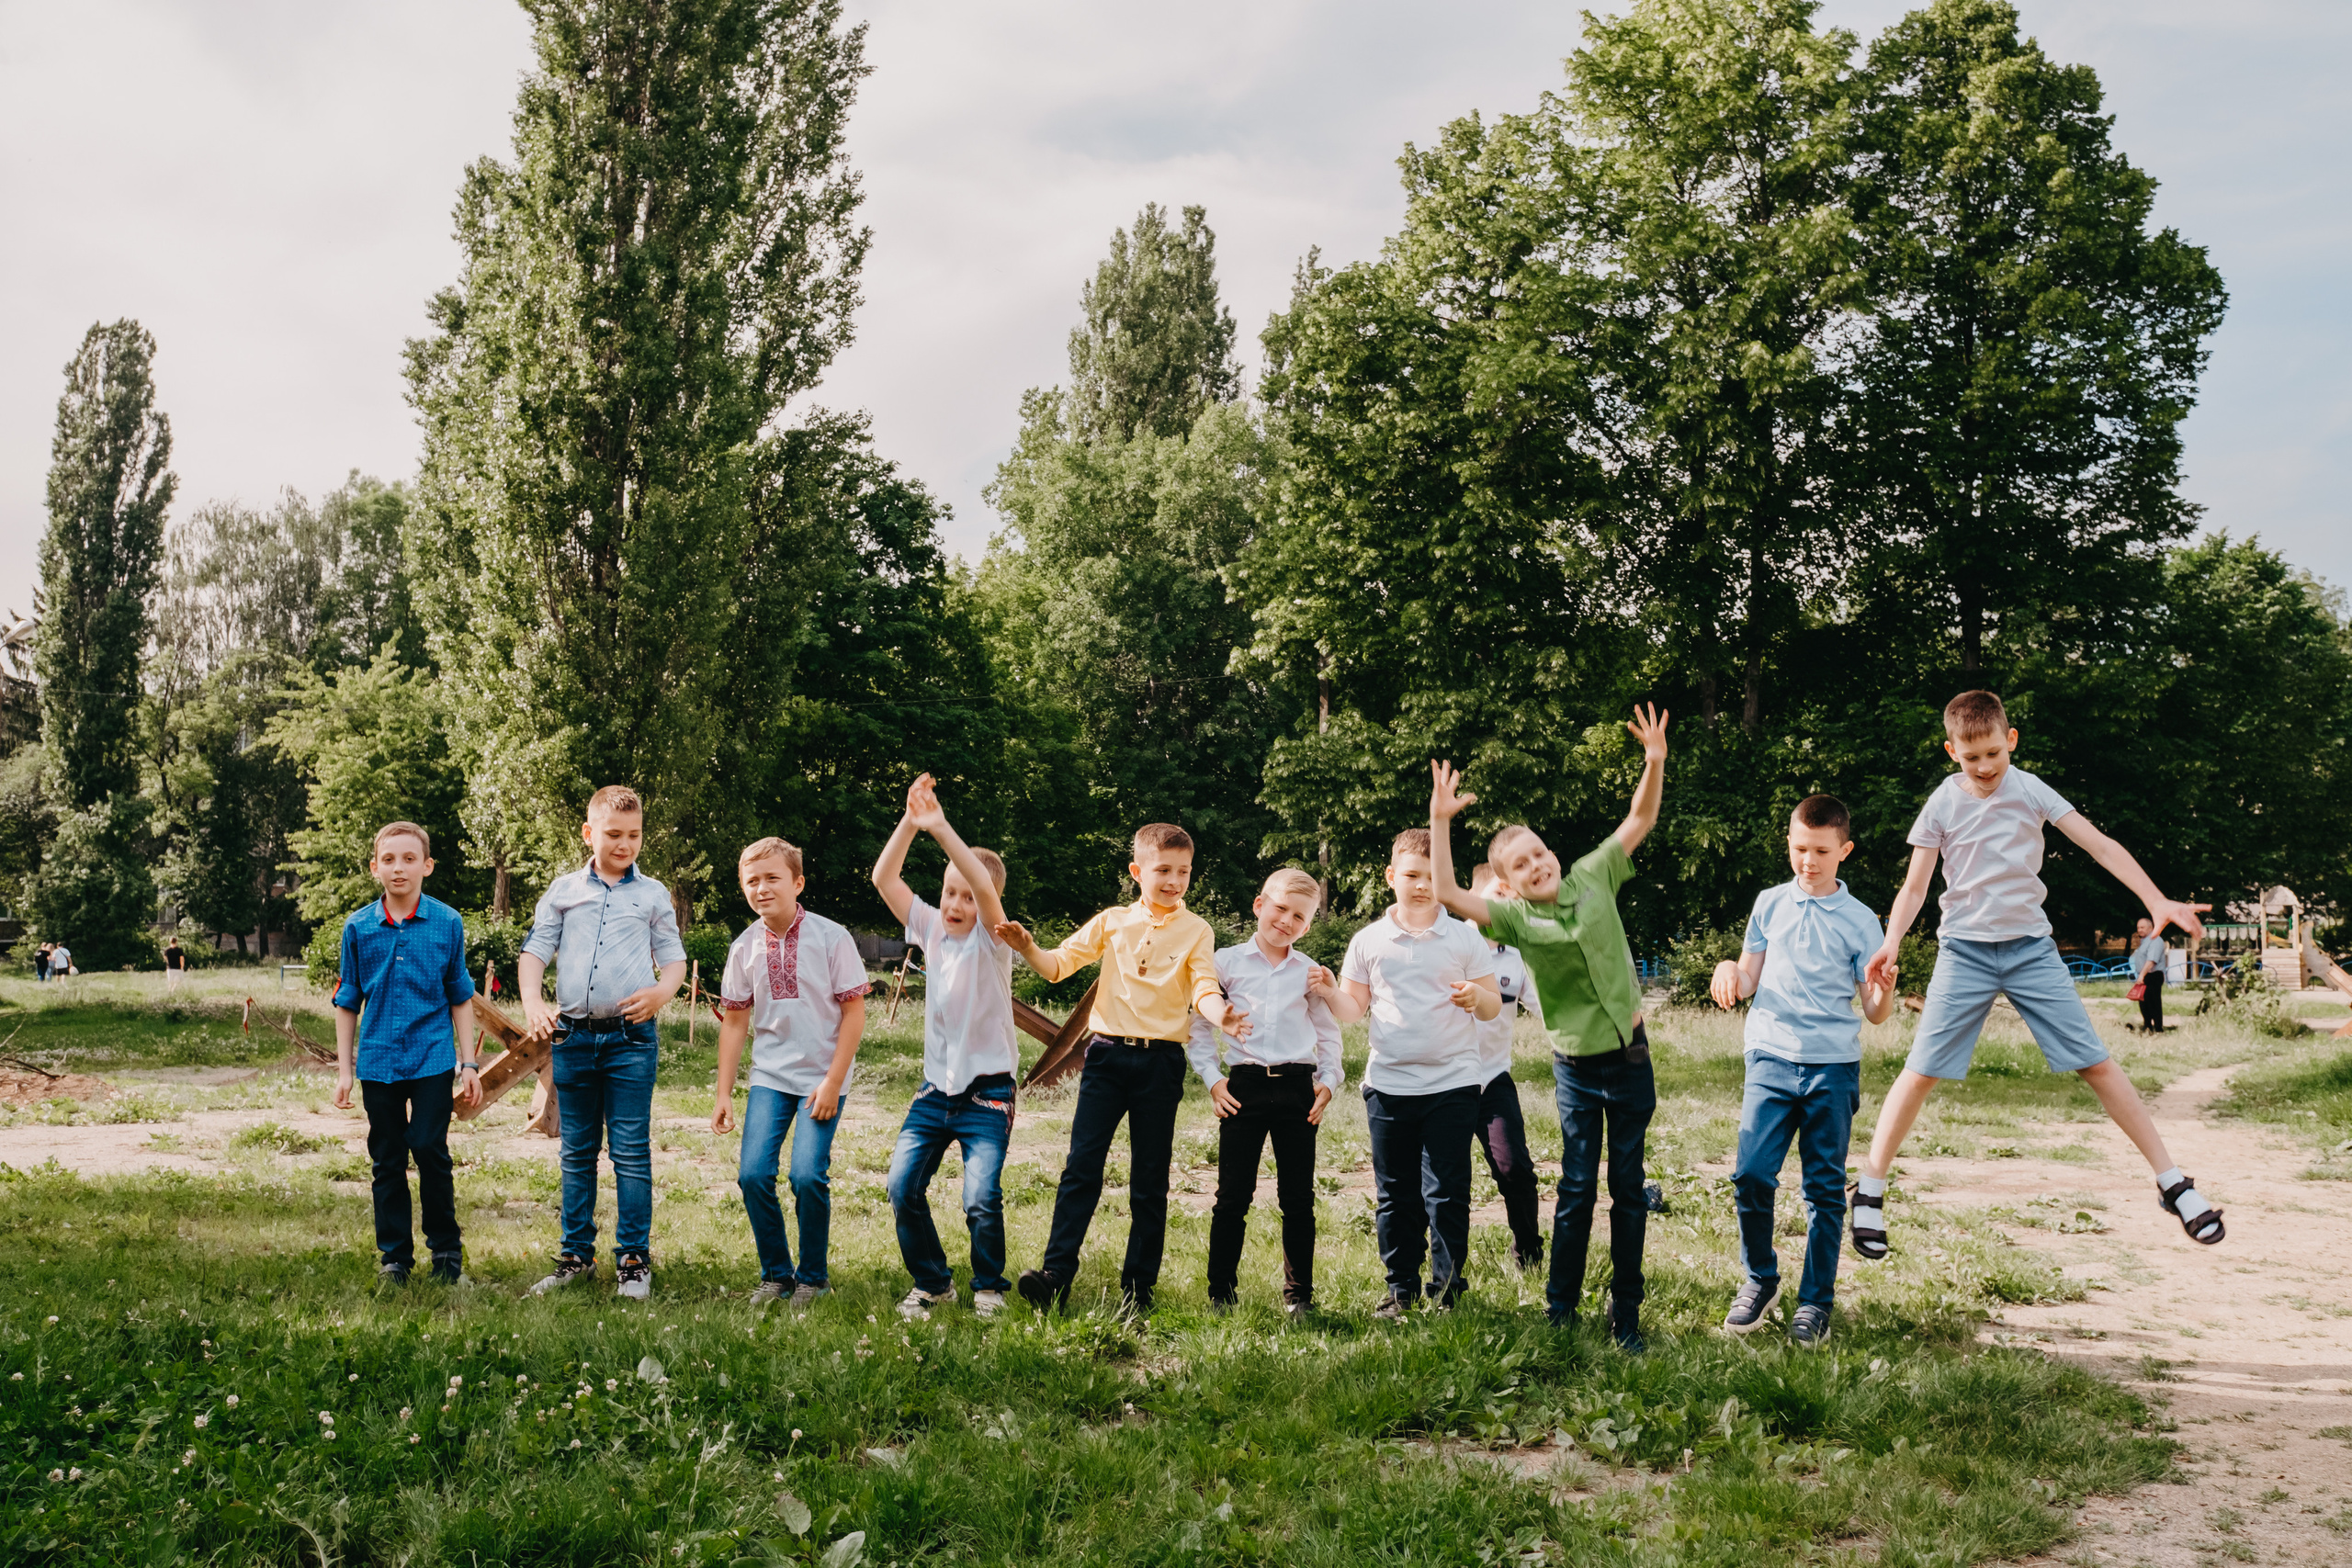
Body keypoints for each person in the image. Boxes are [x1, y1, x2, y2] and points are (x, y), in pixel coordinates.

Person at [1855, 690, 2222, 1255]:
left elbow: (2100, 846)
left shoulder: (2030, 789)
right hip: (1965, 953)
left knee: (2096, 1063)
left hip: (2030, 951)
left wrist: (2156, 899)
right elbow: (1915, 886)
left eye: (1994, 754)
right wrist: (1891, 941)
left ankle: (2172, 1183)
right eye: (1972, 758)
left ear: (2011, 741)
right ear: (1952, 752)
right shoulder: (1942, 803)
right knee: (1921, 1070)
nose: (1985, 767)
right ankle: (1870, 1189)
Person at [1429, 703, 1671, 1348]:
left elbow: (1641, 817)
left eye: (1538, 853)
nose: (1535, 864)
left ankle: (1626, 1310)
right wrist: (1440, 819)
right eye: (1521, 865)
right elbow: (1448, 892)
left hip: (1631, 1059)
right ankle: (1560, 1306)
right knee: (1576, 1186)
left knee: (1627, 1188)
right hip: (1577, 1071)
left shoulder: (1594, 873)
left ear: (1552, 853)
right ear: (1508, 885)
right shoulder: (1514, 920)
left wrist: (1654, 760)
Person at [996, 824, 1237, 1314]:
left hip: (1161, 1064)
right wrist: (1027, 948)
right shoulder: (1113, 922)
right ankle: (1055, 1276)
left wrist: (1222, 1015)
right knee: (1081, 1168)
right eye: (1163, 870)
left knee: (1150, 1181)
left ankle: (1138, 1291)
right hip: (1105, 1058)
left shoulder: (1197, 930)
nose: (1174, 881)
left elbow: (1203, 987)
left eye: (1184, 871)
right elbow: (1057, 966)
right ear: (1137, 872)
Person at [1708, 795, 1894, 1346]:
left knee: (1823, 1190)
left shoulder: (1863, 921)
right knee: (1750, 1175)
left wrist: (1884, 990)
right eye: (1799, 849)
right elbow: (1748, 979)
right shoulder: (1769, 904)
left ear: (1845, 851)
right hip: (1769, 1056)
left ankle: (1815, 1302)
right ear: (1788, 844)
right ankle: (1760, 1280)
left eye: (1821, 851)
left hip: (1832, 1066)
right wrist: (1728, 969)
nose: (1808, 861)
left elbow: (1875, 1012)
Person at [1321, 829, 1499, 1319]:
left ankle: (1447, 1292)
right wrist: (1329, 990)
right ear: (1390, 877)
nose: (1422, 886)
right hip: (1389, 1086)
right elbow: (1353, 1010)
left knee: (1446, 1193)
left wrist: (1477, 997)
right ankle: (1400, 1289)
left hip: (1453, 1083)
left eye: (1431, 877)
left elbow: (1491, 1006)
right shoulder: (1368, 941)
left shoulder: (1464, 937)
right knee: (1395, 1195)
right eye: (1411, 875)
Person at [520, 785, 689, 1301]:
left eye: (634, 835)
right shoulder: (564, 890)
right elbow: (535, 951)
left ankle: (634, 1261)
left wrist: (661, 993)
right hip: (572, 1038)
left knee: (631, 1151)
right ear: (588, 833)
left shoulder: (652, 894)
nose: (624, 844)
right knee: (577, 1151)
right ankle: (576, 1258)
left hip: (630, 1040)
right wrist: (533, 1002)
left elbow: (674, 961)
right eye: (613, 834)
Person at [870, 774, 1017, 1320]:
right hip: (935, 1091)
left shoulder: (993, 939)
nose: (956, 902)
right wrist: (912, 821)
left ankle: (989, 1287)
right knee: (901, 1187)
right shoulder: (930, 928)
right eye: (949, 892)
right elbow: (884, 878)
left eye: (968, 896)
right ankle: (933, 1283)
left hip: (989, 1094)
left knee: (979, 1197)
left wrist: (941, 826)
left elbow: (980, 881)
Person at [709, 837, 870, 1308]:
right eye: (751, 881)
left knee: (806, 1176)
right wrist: (723, 1093)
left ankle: (813, 1278)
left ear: (798, 883)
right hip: (770, 1077)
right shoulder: (744, 947)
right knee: (754, 1175)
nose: (761, 888)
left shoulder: (832, 937)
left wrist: (833, 1082)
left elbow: (854, 1014)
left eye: (772, 878)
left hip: (824, 1077)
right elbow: (735, 1023)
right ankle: (776, 1275)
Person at [1187, 866, 1344, 1318]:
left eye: (1299, 917)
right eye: (1280, 909)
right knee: (1232, 1196)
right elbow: (1199, 1026)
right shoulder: (1226, 963)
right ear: (1259, 905)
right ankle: (1221, 1294)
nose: (1286, 921)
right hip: (1244, 1086)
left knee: (1298, 1199)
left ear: (1307, 926)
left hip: (1298, 1089)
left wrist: (1329, 1080)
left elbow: (1328, 1032)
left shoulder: (1310, 972)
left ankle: (1299, 1297)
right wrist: (1212, 1078)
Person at [330, 821, 480, 1286]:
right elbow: (347, 1001)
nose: (399, 868)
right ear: (374, 868)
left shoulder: (447, 923)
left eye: (409, 859)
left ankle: (446, 1254)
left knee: (430, 1149)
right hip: (378, 1061)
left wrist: (469, 1063)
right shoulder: (358, 927)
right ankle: (395, 1259)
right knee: (387, 1156)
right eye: (389, 860)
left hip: (432, 1058)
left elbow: (460, 996)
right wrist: (345, 1071)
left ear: (427, 866)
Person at [1427, 863, 1545, 1277]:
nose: (1507, 901)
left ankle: (1529, 1253)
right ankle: (1443, 1273)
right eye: (1499, 892)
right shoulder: (1443, 944)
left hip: (1492, 1079)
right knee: (1444, 1181)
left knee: (1515, 1169)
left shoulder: (1519, 955)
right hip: (1441, 1083)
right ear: (1471, 899)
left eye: (1515, 895)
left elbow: (1548, 1011)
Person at [2129, 916, 2168, 1033]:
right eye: (2138, 928)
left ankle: (2158, 1028)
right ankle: (2147, 1026)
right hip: (2145, 975)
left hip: (2153, 975)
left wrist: (2141, 975)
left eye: (2142, 927)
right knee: (2144, 1002)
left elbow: (2151, 961)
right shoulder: (2145, 941)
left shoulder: (2156, 940)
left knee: (2153, 1002)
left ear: (2150, 928)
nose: (2139, 930)